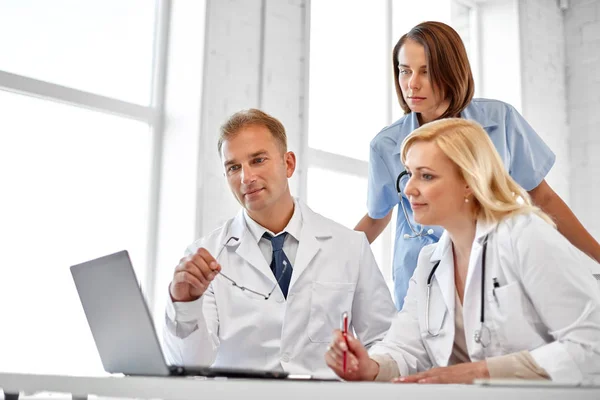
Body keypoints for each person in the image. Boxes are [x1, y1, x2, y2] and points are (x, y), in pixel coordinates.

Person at [326, 118, 600, 384]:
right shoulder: (429, 262)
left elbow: (592, 345)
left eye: (426, 176)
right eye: (409, 174)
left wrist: (481, 372)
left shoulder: (526, 235)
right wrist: (369, 367)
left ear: (470, 181)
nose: (409, 188)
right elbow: (404, 349)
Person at [355, 21, 600, 310]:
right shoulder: (386, 144)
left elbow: (543, 197)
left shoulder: (501, 121)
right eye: (404, 70)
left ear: (450, 70)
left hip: (495, 274)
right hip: (423, 285)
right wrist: (330, 263)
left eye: (426, 71)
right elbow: (376, 216)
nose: (412, 84)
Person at [161, 108, 396, 378]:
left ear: (289, 164)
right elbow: (191, 364)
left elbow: (385, 340)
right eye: (233, 167)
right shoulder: (205, 256)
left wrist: (365, 368)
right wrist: (185, 302)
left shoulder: (350, 247)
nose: (245, 178)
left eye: (258, 160)